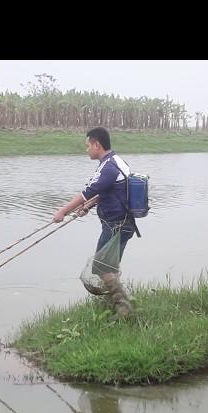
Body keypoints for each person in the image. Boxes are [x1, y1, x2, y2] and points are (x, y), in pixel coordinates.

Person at [52, 127, 138, 317]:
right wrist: (88, 207)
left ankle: (124, 307)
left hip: (115, 224)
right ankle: (119, 304)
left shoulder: (108, 167)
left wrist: (62, 212)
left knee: (101, 266)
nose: (87, 150)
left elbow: (87, 193)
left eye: (88, 146)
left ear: (97, 145)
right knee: (110, 266)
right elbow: (106, 192)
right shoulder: (115, 161)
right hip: (124, 223)